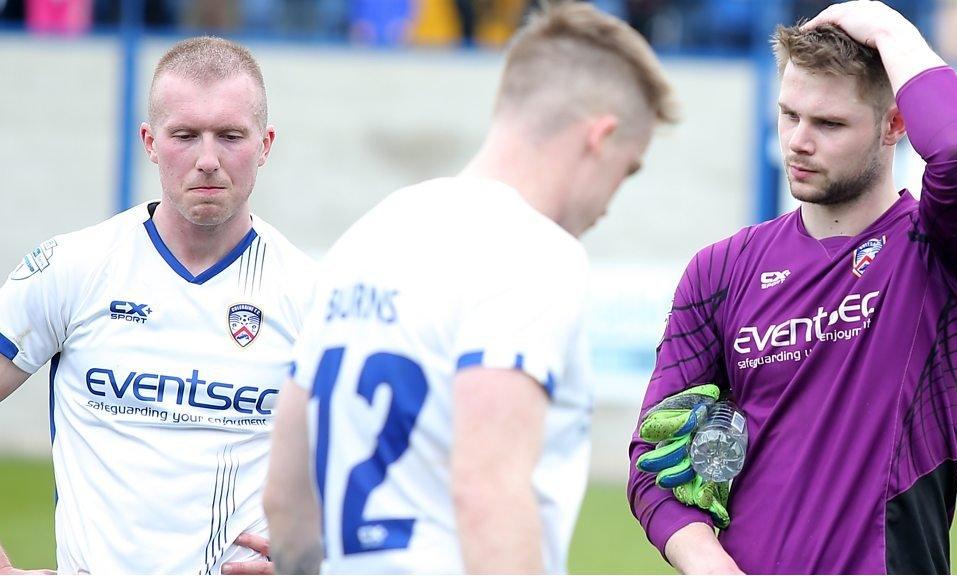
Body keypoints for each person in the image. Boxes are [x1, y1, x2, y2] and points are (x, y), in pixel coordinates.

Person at [263, 3, 677, 574]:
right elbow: (487, 493)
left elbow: (285, 499)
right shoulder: (536, 253)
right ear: (599, 138)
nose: (610, 200)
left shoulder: (368, 234)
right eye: (626, 169)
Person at [628, 0, 957, 573]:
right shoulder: (719, 272)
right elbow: (651, 464)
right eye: (789, 115)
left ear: (895, 125)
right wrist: (710, 563)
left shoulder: (947, 251)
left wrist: (887, 27)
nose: (798, 142)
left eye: (829, 123)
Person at [0, 36, 314, 574]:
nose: (208, 159)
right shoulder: (74, 267)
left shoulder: (309, 296)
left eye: (231, 136)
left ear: (265, 144)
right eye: (185, 135)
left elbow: (383, 467)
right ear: (149, 140)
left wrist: (313, 561)